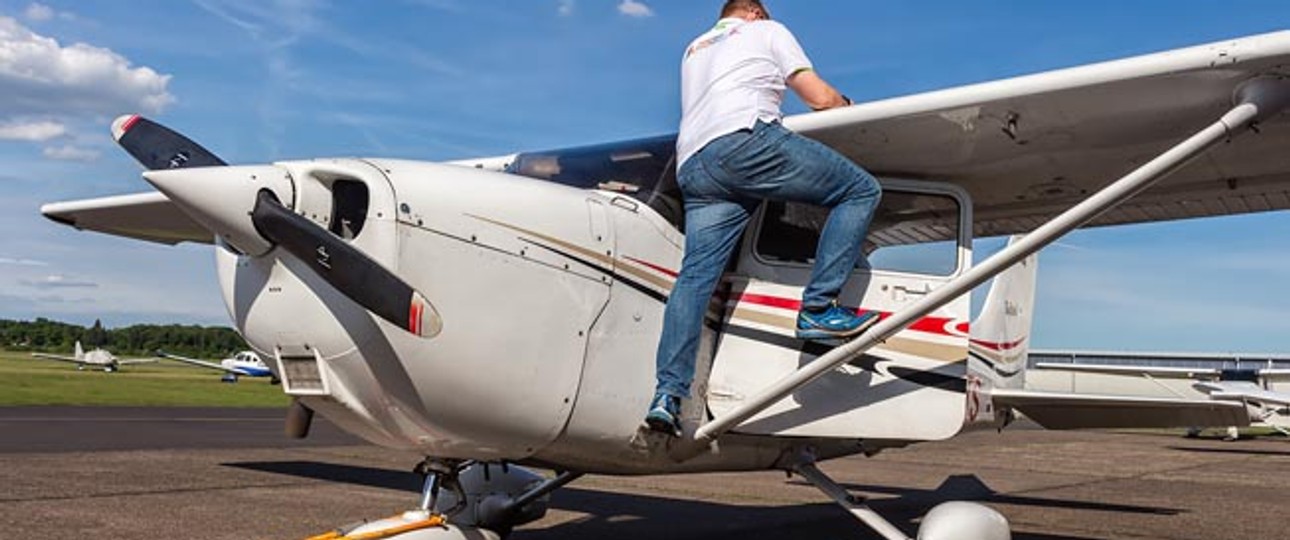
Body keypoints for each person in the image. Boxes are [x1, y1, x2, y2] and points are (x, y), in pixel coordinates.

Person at [645, 0, 883, 437]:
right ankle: (817, 308)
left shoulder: (694, 47)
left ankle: (667, 394)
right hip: (744, 141)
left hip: (695, 165)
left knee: (695, 278)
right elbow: (819, 98)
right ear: (755, 12)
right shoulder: (766, 31)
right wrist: (847, 104)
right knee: (860, 190)